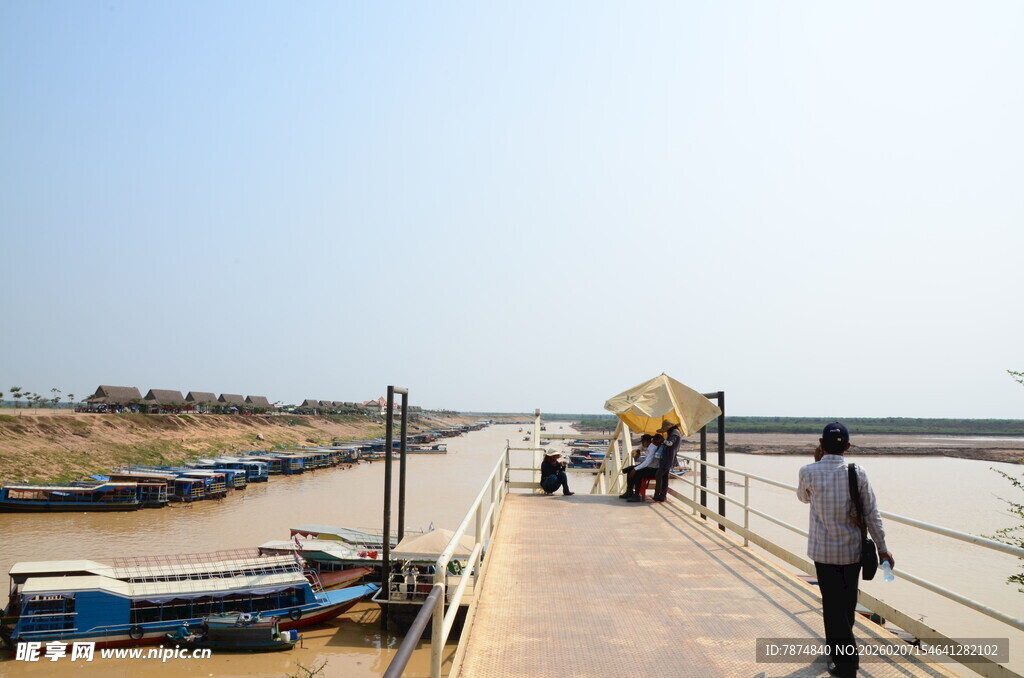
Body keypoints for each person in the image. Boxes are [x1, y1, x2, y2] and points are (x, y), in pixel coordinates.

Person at [797, 422, 894, 678]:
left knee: (832, 606)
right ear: (848, 447)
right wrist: (883, 549)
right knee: (847, 602)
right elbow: (873, 513)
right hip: (852, 552)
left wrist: (816, 463)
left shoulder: (808, 471)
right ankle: (839, 649)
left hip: (823, 552)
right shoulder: (857, 472)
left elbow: (803, 498)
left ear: (820, 444)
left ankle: (845, 664)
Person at [624, 434, 663, 501]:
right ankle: (629, 491)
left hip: (653, 470)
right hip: (649, 467)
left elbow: (647, 462)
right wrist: (637, 458)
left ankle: (636, 495)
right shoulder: (649, 448)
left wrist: (635, 469)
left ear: (648, 441)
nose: (642, 443)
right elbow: (646, 460)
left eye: (643, 442)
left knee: (637, 473)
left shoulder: (652, 448)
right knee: (629, 469)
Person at [653, 419, 682, 502]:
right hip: (667, 457)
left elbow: (670, 443)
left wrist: (663, 441)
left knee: (659, 475)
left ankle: (657, 495)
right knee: (665, 477)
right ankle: (662, 496)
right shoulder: (674, 431)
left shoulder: (675, 432)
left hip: (669, 458)